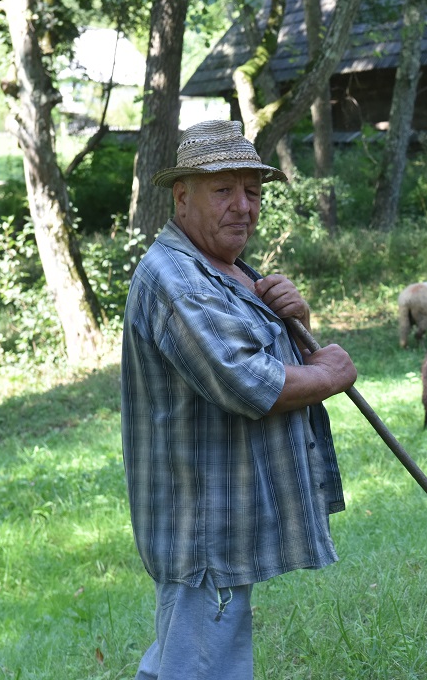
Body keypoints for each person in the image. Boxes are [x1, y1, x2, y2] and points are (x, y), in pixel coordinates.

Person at [120, 120, 357, 680]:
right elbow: (251, 382)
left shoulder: (222, 269)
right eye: (223, 190)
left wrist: (295, 321)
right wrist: (331, 373)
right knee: (202, 663)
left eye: (251, 190)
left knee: (188, 657)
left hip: (219, 512)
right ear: (182, 197)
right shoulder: (174, 277)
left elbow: (260, 354)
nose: (242, 206)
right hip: (198, 523)